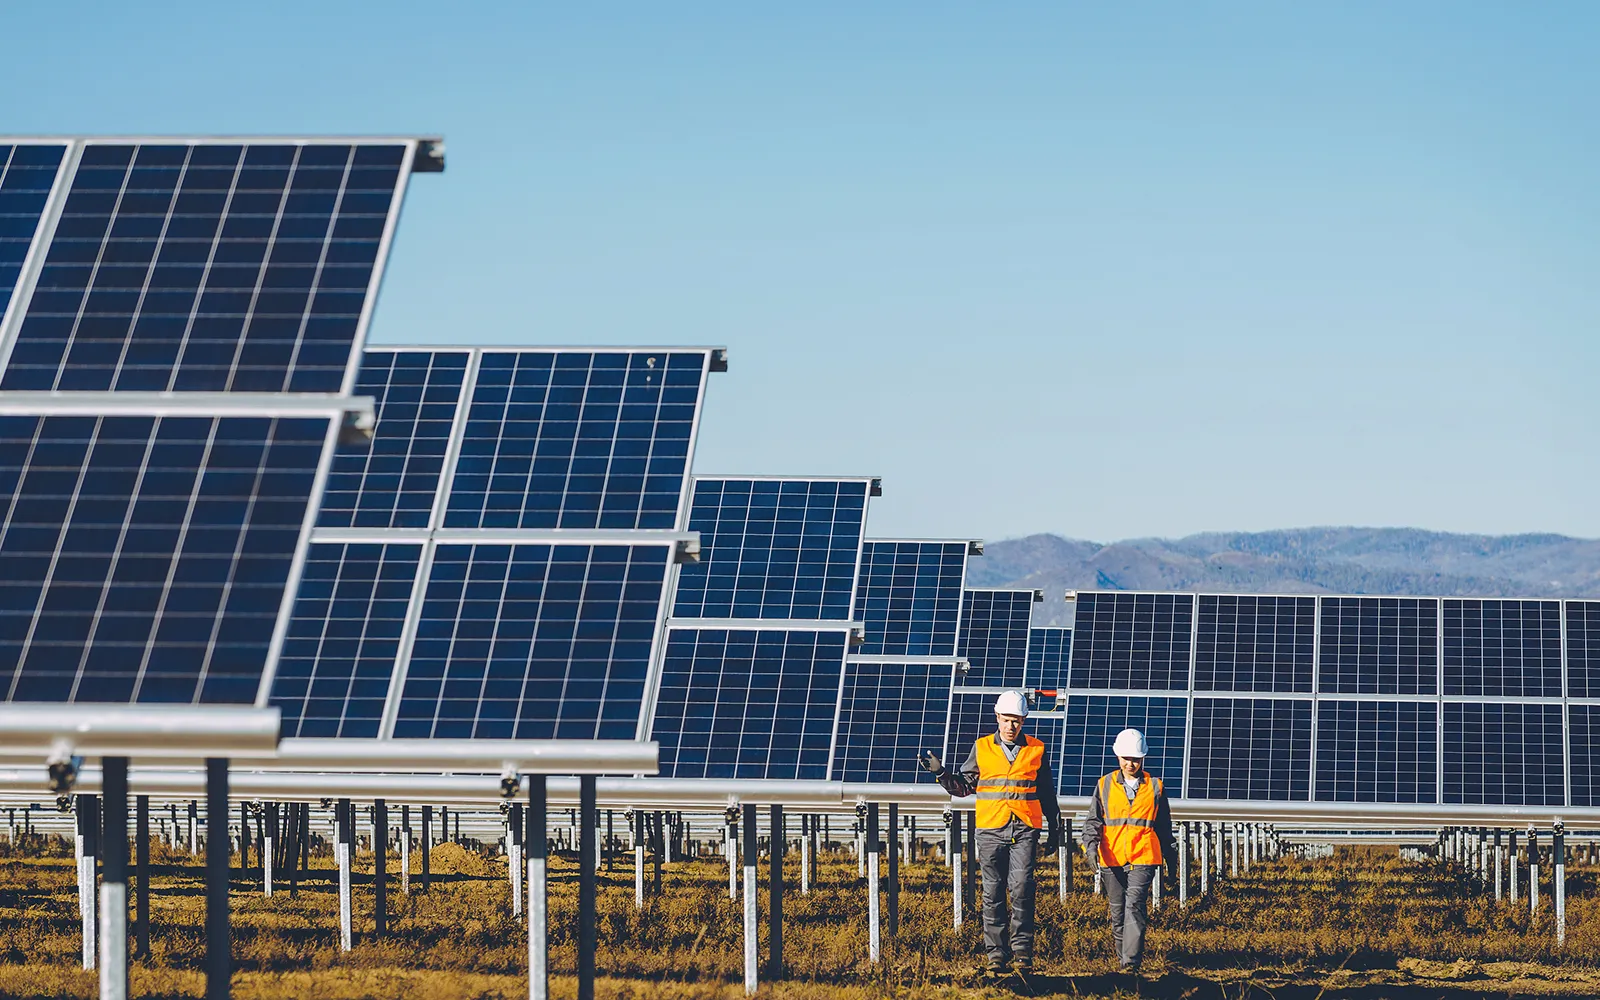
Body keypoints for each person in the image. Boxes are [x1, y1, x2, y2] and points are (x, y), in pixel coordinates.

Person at [920, 690, 1062, 979]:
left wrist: (1055, 828)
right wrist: (941, 774)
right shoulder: (982, 747)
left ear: (1024, 721)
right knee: (993, 892)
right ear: (997, 717)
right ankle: (996, 955)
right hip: (990, 829)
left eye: (1017, 721)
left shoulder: (1037, 749)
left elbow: (1047, 791)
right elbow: (964, 787)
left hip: (1025, 827)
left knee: (1022, 888)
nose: (1011, 726)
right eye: (1007, 719)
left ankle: (1022, 954)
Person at [1081, 728, 1179, 974]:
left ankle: (1131, 963)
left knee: (1134, 905)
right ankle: (1123, 964)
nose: (1130, 763)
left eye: (1135, 759)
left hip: (1144, 856)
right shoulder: (1104, 784)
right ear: (1118, 756)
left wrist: (1171, 861)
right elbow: (1093, 821)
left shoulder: (1156, 787)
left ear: (1143, 758)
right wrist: (1090, 847)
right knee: (1117, 913)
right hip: (1111, 856)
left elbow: (1164, 827)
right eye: (1126, 758)